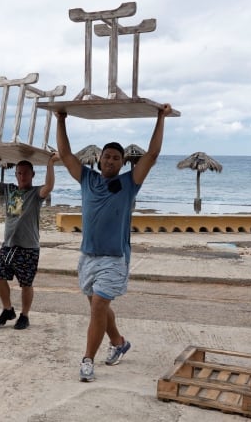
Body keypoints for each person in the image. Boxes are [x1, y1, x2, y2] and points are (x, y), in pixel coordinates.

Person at [55, 104, 172, 381]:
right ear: (99, 160)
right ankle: (119, 343)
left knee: (97, 308)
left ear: (122, 163)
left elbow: (152, 154)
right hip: (87, 256)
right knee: (99, 307)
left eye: (116, 158)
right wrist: (61, 119)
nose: (110, 161)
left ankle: (87, 361)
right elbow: (65, 154)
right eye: (107, 156)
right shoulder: (87, 179)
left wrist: (160, 117)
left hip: (114, 258)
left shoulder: (129, 183)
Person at [0, 153, 59, 330]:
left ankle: (24, 316)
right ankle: (8, 309)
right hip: (8, 245)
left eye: (25, 173)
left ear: (32, 174)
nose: (22, 176)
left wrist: (50, 163)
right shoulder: (9, 189)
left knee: (26, 284)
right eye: (19, 173)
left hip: (28, 247)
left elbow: (49, 186)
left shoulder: (35, 193)